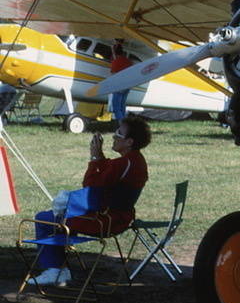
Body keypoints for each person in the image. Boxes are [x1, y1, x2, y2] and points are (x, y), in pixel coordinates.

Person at [28, 116, 151, 286]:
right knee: (57, 218)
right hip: (115, 217)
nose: (114, 136)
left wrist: (94, 159)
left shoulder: (127, 163)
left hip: (105, 221)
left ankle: (56, 270)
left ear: (129, 141)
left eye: (119, 133)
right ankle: (58, 269)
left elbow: (91, 184)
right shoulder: (134, 160)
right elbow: (110, 173)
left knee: (43, 219)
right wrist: (99, 156)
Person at [108, 41, 132, 124]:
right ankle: (125, 124)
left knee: (116, 108)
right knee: (122, 107)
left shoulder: (116, 62)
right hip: (127, 86)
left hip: (118, 87)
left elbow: (113, 75)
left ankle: (122, 125)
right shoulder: (128, 61)